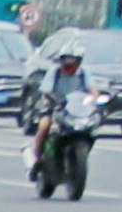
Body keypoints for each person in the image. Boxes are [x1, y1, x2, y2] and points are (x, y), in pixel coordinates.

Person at [28, 47, 99, 203]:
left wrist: (93, 101)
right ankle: (37, 160)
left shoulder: (83, 73)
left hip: (75, 111)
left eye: (71, 61)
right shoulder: (54, 72)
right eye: (65, 60)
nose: (68, 64)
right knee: (43, 127)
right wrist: (49, 101)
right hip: (55, 108)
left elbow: (93, 90)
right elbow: (46, 92)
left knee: (91, 128)